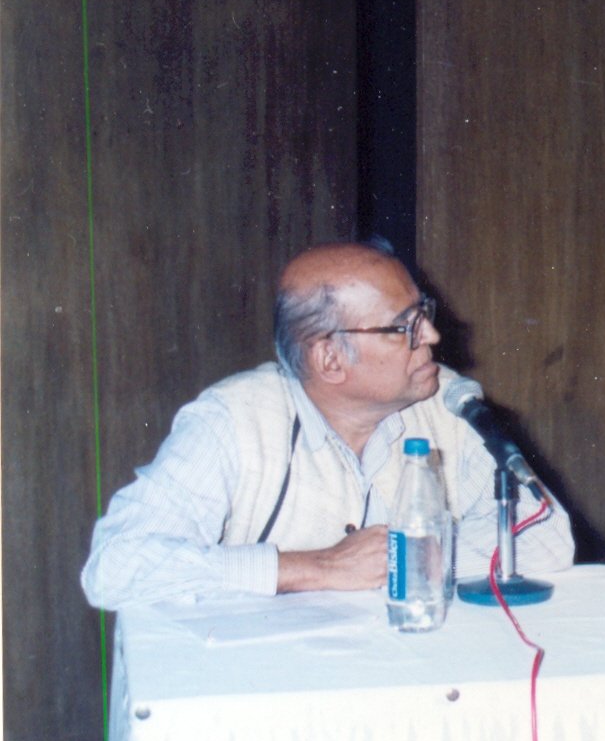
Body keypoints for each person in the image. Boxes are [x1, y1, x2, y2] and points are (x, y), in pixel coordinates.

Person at [80, 241, 574, 609]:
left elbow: (545, 535)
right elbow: (115, 567)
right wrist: (317, 568)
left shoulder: (448, 402)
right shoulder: (231, 421)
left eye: (424, 313)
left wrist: (404, 558)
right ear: (330, 359)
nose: (432, 335)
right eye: (405, 326)